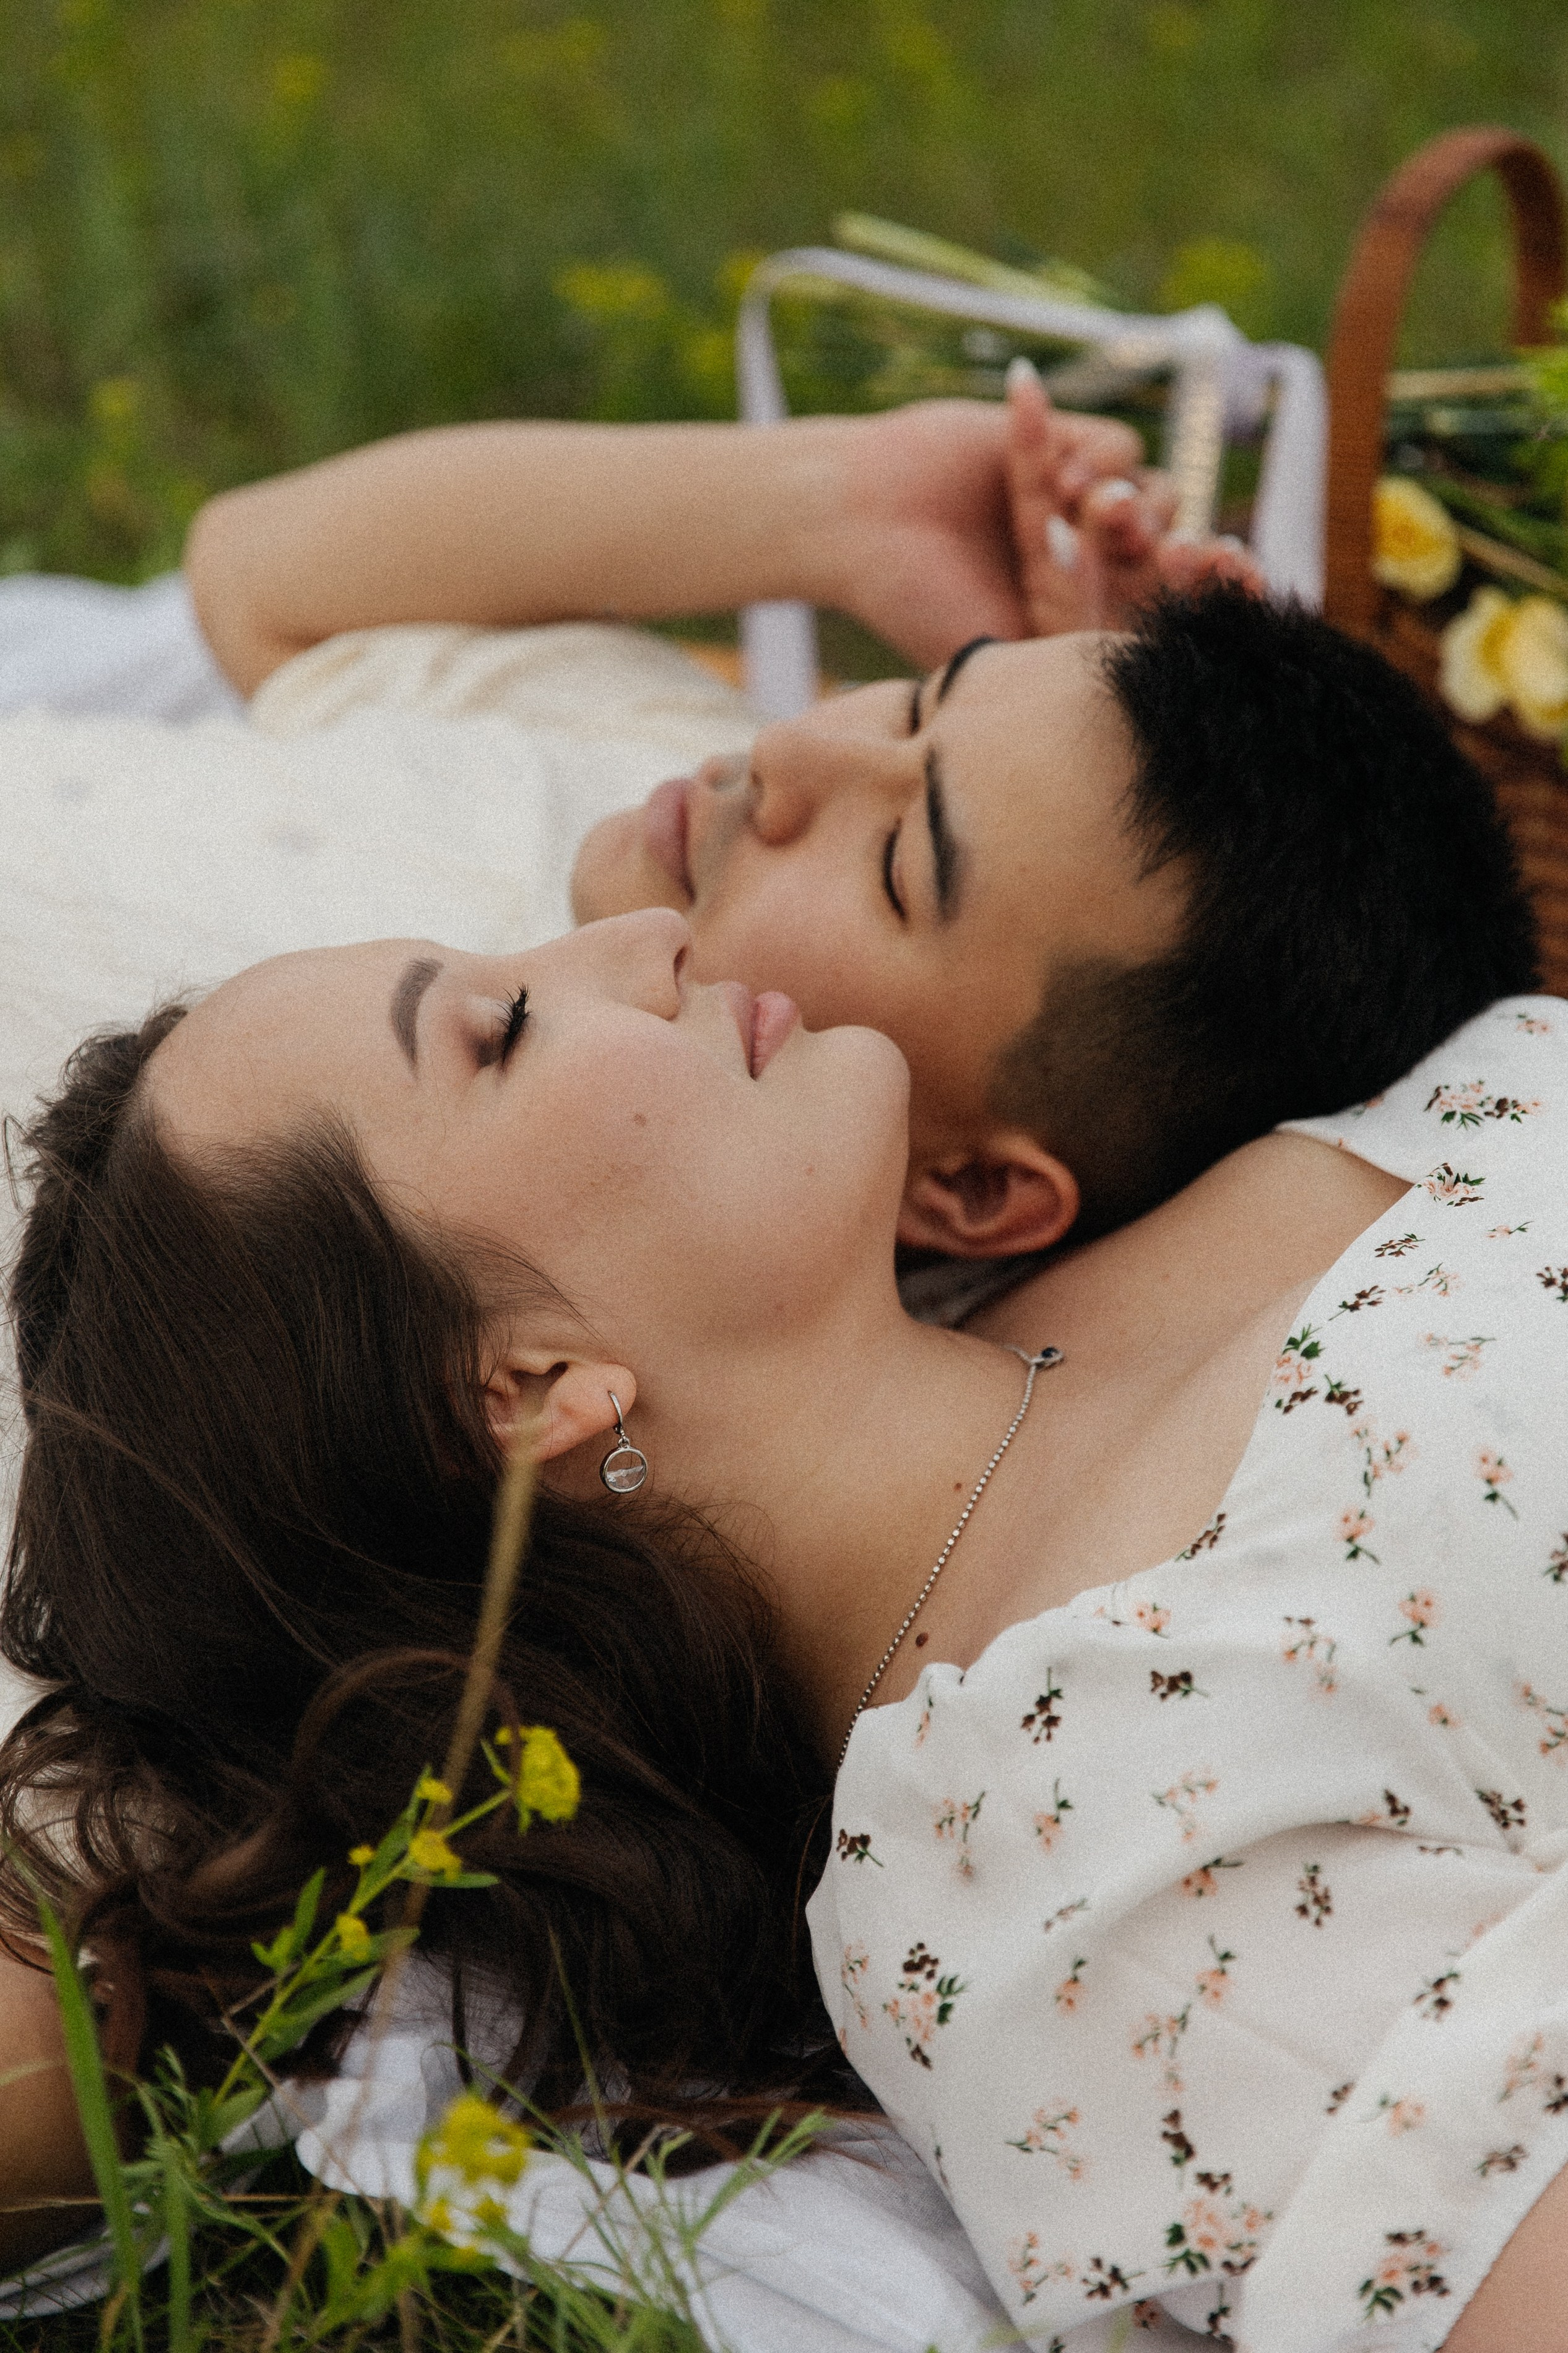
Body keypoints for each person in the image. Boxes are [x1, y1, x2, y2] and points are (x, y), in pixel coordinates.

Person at [0, 570, 1561, 2340]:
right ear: (528, 1391)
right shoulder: (1061, 1872)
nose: (646, 939)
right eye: (504, 1028)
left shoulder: (1209, 1172)